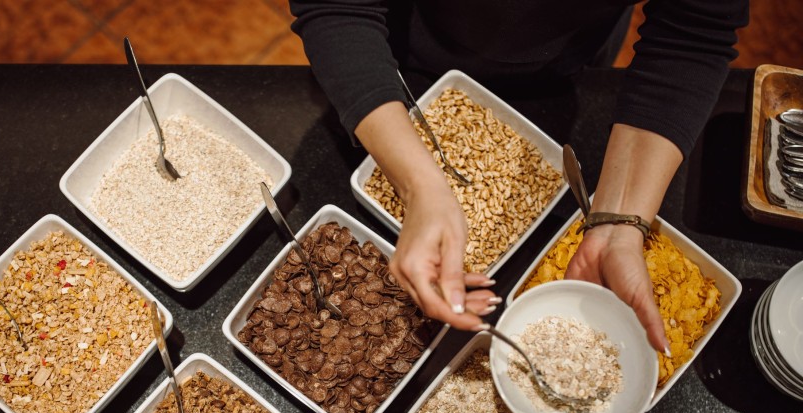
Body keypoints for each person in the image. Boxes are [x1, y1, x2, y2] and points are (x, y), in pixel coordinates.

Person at [289, 0, 748, 355]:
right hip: (396, 51)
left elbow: (693, 33)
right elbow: (338, 7)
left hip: (571, 58)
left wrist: (617, 224)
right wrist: (422, 187)